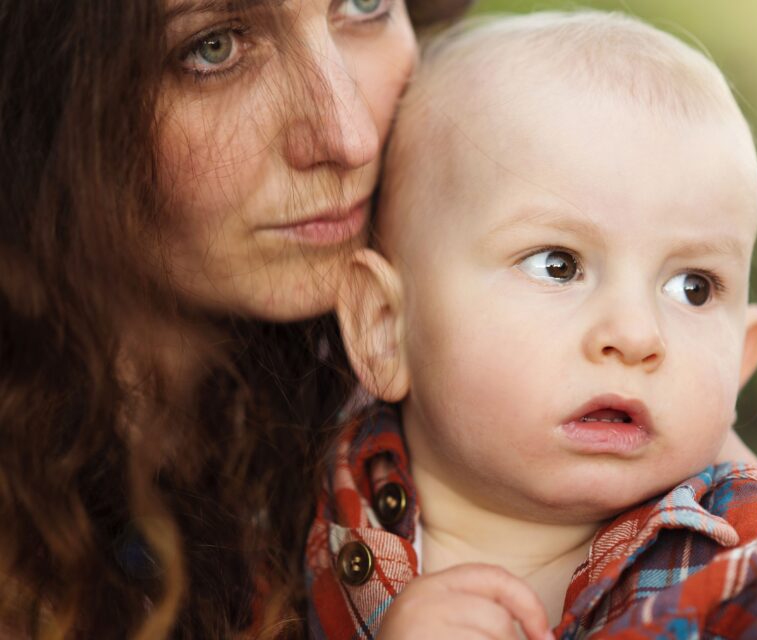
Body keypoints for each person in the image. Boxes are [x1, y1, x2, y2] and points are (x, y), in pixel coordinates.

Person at [312, 11, 757, 639]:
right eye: (558, 265)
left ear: (741, 359)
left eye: (693, 287)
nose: (637, 335)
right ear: (384, 326)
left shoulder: (746, 556)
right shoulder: (285, 496)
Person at [0, 0, 479, 637]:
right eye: (213, 47)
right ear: (37, 98)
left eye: (365, 5)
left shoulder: (470, 399)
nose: (349, 136)